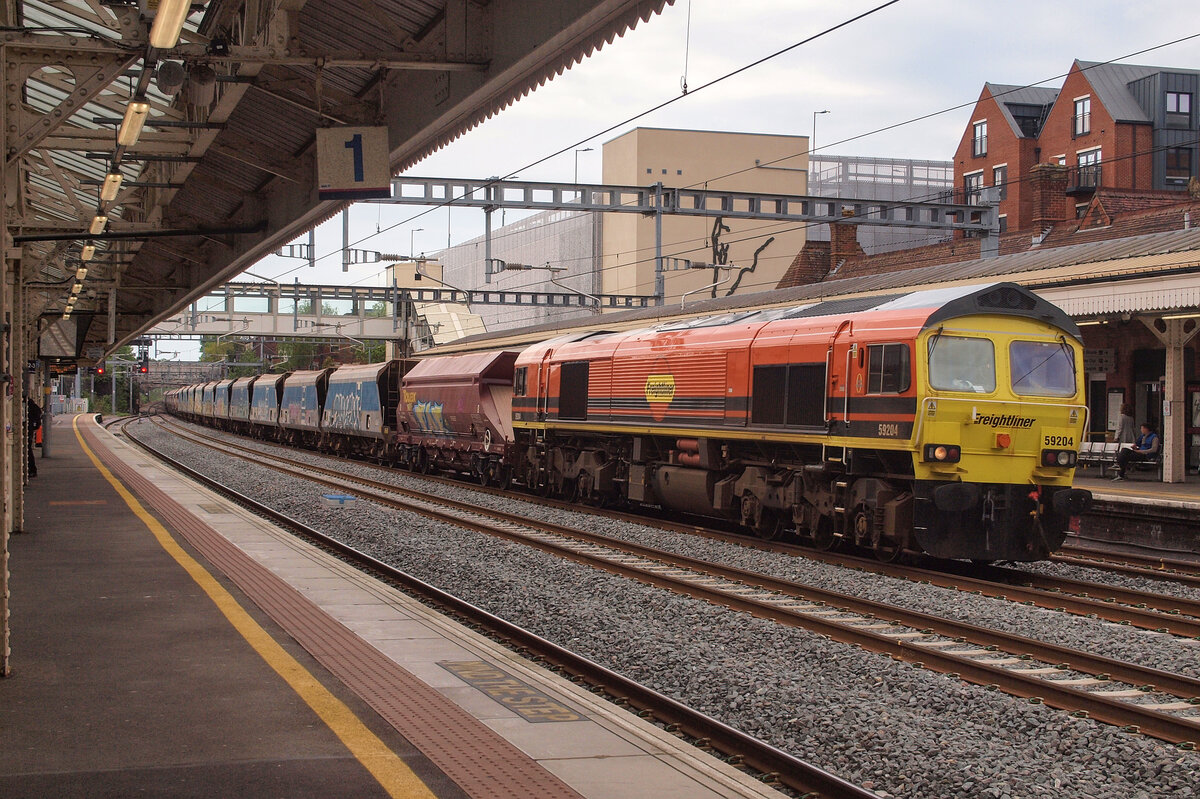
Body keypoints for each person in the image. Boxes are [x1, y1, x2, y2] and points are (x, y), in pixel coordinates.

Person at [26, 396, 42, 479]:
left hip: (28, 430)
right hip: (30, 430)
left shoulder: (28, 404)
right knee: (28, 450)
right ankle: (31, 470)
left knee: (27, 450)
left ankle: (31, 469)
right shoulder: (32, 405)